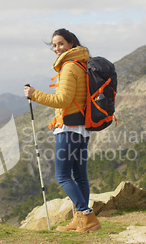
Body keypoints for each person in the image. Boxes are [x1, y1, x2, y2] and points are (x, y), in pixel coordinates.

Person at [24, 28, 101, 232]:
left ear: (71, 44)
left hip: (68, 129)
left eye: (60, 44)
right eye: (54, 45)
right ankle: (80, 220)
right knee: (80, 175)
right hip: (83, 128)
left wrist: (34, 94)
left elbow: (62, 100)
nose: (57, 48)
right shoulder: (82, 64)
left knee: (63, 176)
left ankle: (86, 215)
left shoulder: (68, 67)